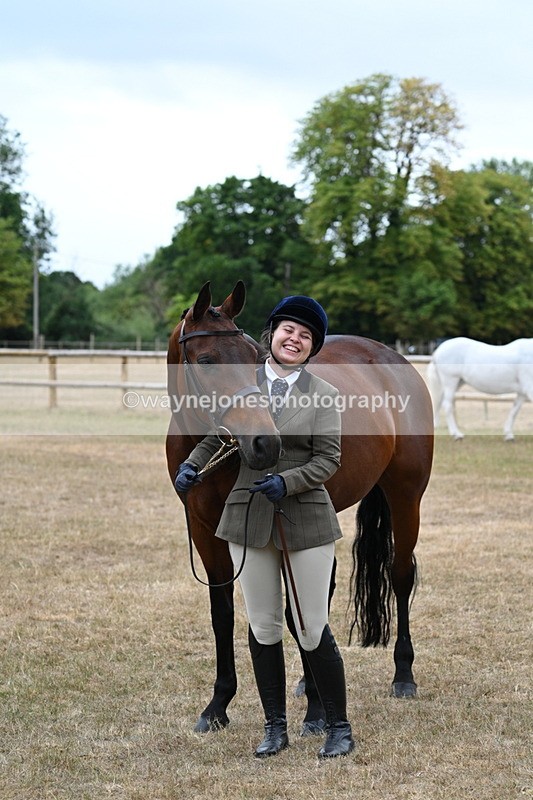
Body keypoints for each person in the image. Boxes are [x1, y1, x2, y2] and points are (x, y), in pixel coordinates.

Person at [175, 296, 354, 759]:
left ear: (311, 348)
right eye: (288, 330)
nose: (294, 339)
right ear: (271, 335)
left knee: (311, 625)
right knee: (265, 625)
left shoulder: (324, 394)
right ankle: (275, 727)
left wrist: (286, 481)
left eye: (306, 336)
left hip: (306, 515)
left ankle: (338, 725)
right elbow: (219, 435)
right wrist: (191, 466)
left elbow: (329, 460)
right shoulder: (244, 384)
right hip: (249, 517)